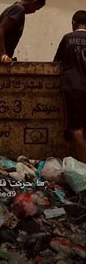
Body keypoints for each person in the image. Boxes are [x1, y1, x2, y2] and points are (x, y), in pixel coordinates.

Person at [54, 10, 86, 162]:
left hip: (72, 86)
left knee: (75, 128)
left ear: (73, 23)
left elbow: (56, 63)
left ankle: (84, 164)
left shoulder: (67, 38)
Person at [0, 0, 46, 64]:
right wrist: (3, 55)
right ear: (33, 2)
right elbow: (0, 30)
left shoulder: (12, 8)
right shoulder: (19, 10)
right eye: (36, 8)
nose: (34, 12)